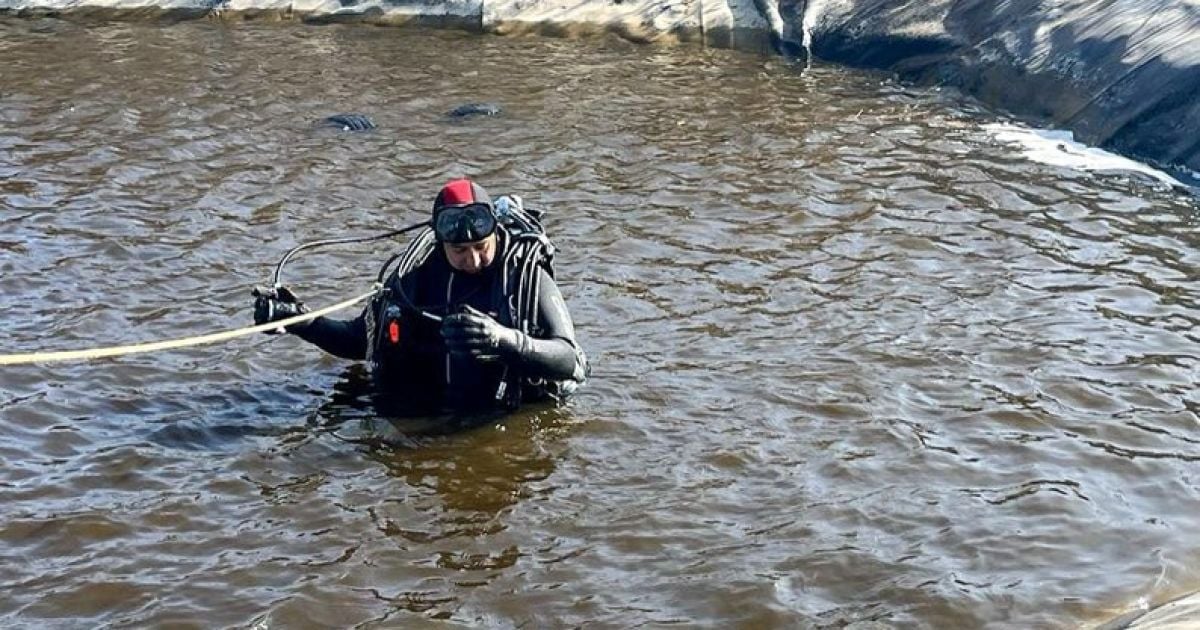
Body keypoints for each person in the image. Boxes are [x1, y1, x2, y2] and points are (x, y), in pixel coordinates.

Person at [254, 179, 588, 413]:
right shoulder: (415, 277)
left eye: (481, 247)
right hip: (428, 412)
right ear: (441, 243)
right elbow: (360, 342)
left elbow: (571, 361)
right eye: (459, 250)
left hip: (501, 414)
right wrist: (301, 321)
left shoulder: (524, 276)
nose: (472, 260)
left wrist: (503, 340)